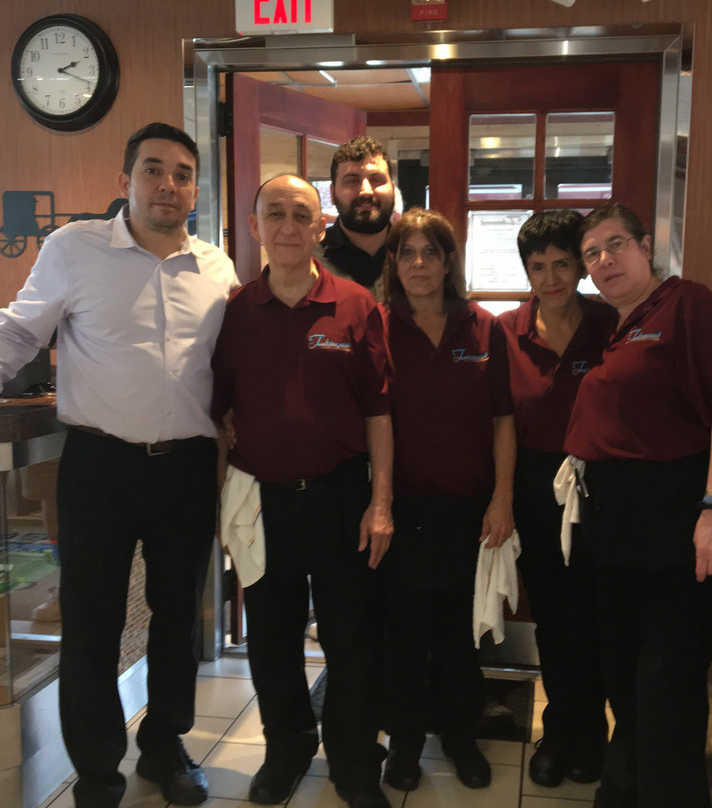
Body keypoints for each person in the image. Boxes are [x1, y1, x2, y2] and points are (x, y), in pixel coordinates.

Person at [0, 122, 237, 808]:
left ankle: (164, 747)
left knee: (177, 618)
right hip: (100, 465)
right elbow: (19, 329)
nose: (168, 184)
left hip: (187, 469)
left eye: (182, 174)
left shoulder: (217, 268)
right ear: (124, 180)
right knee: (93, 622)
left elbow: (237, 363)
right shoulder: (74, 248)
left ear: (195, 190)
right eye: (153, 169)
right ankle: (98, 772)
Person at [211, 174, 394, 808]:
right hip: (262, 500)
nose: (288, 226)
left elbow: (379, 413)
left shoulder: (356, 305)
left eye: (301, 214)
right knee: (270, 635)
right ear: (254, 227)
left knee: (351, 636)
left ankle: (353, 760)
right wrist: (219, 507)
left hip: (340, 495)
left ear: (321, 227)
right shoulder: (234, 313)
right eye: (274, 214)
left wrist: (381, 504)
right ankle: (286, 750)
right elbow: (219, 416)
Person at [563, 203, 712, 808]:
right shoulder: (616, 325)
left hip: (679, 516)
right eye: (592, 254)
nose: (604, 260)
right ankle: (624, 791)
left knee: (667, 683)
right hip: (616, 523)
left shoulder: (689, 304)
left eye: (615, 244)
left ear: (646, 247)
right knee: (624, 677)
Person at [376, 207, 515, 793]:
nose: (418, 264)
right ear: (394, 262)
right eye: (407, 253)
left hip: (469, 511)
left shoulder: (483, 327)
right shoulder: (379, 326)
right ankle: (405, 744)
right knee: (404, 638)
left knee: (461, 637)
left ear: (448, 261)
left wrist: (502, 497)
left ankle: (461, 736)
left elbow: (504, 419)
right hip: (403, 512)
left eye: (430, 252)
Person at [498, 210, 616, 787]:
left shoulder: (610, 323)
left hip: (602, 488)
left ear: (581, 267)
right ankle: (559, 729)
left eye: (562, 264)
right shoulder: (506, 331)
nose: (551, 278)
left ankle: (591, 734)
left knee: (593, 618)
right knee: (551, 618)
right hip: (534, 488)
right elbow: (497, 420)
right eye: (538, 266)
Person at [317, 135, 396, 290]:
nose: (366, 191)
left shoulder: (417, 254)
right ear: (332, 194)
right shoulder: (309, 261)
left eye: (376, 180)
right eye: (352, 181)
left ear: (392, 189)